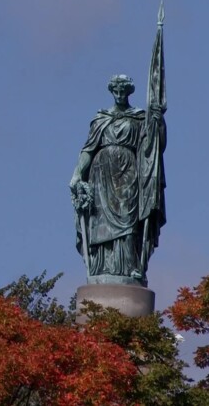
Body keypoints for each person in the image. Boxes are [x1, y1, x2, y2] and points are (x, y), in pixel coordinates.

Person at [69, 74, 166, 285]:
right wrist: (77, 174)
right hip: (101, 174)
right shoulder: (101, 118)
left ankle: (129, 267)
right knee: (99, 223)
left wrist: (157, 122)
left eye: (124, 91)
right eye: (116, 91)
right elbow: (88, 150)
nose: (120, 95)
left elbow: (153, 147)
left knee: (129, 218)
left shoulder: (139, 117)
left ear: (129, 93)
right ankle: (101, 266)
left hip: (129, 172)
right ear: (112, 92)